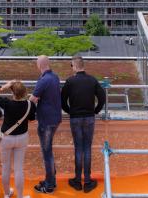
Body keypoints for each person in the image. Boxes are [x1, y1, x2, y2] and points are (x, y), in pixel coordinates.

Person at [61, 56, 106, 193]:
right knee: (87, 148)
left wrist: (70, 111)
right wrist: (95, 110)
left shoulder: (70, 81)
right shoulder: (92, 80)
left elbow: (62, 100)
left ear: (74, 66)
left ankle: (77, 180)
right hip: (89, 117)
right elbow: (102, 97)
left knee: (78, 148)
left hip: (75, 118)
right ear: (83, 65)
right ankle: (87, 181)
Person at [0, 80, 37, 198]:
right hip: (22, 138)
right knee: (18, 169)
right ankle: (20, 196)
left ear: (13, 93)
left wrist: (3, 87)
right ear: (24, 92)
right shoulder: (30, 105)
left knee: (5, 167)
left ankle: (7, 194)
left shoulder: (7, 103)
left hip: (6, 138)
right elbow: (32, 120)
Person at [29, 55, 62, 193]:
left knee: (47, 152)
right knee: (48, 151)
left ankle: (49, 185)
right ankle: (51, 180)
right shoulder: (55, 77)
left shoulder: (43, 80)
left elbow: (32, 99)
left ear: (39, 65)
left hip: (46, 121)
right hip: (55, 118)